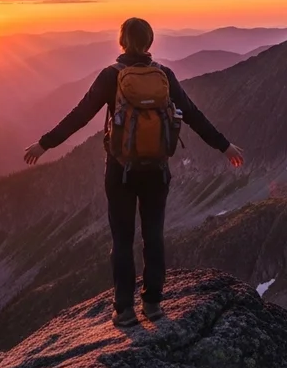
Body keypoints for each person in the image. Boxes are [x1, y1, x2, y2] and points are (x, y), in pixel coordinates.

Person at [23, 17, 245, 327]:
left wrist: (45, 144)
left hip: (120, 171)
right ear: (150, 42)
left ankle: (124, 310)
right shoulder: (164, 76)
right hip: (156, 170)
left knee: (122, 239)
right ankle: (153, 304)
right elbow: (193, 115)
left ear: (122, 42)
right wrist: (225, 146)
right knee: (153, 236)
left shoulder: (111, 76)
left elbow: (81, 115)